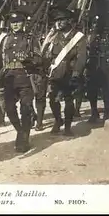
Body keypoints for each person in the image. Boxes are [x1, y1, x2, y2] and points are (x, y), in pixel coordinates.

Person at [0, 11, 41, 152]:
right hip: (9, 78)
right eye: (13, 22)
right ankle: (20, 131)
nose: (15, 25)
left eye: (18, 22)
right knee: (9, 109)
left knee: (25, 108)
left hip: (26, 77)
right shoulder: (4, 39)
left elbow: (38, 58)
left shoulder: (30, 39)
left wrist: (30, 61)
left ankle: (24, 139)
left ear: (23, 23)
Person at [45, 8, 87, 136]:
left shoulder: (78, 37)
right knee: (52, 100)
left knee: (69, 100)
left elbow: (82, 57)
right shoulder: (54, 36)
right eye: (57, 20)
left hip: (70, 73)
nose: (58, 22)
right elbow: (48, 55)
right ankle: (58, 120)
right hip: (56, 73)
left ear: (69, 21)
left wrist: (76, 74)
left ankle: (68, 126)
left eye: (61, 20)